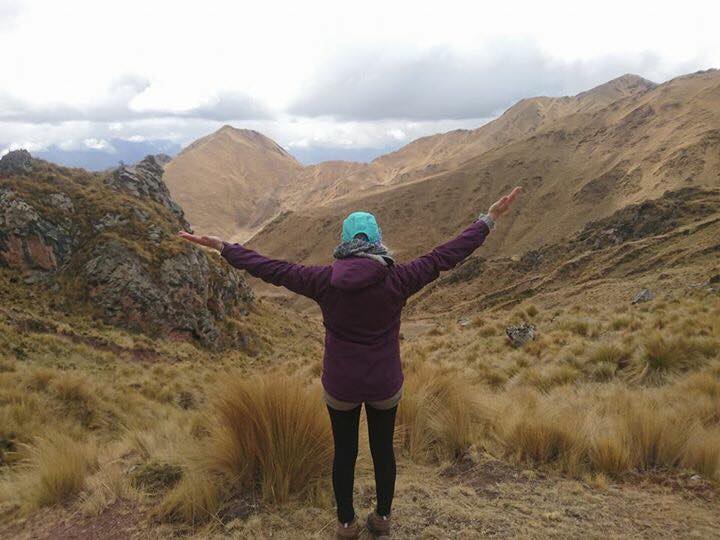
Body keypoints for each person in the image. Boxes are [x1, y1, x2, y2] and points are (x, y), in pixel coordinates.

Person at [179, 186, 522, 539]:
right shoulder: (400, 278)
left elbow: (273, 269)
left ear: (343, 242)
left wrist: (224, 247)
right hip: (384, 383)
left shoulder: (323, 281)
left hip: (340, 385)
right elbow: (444, 256)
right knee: (383, 451)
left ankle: (346, 524)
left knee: (344, 453)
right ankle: (383, 519)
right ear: (379, 240)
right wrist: (489, 219)